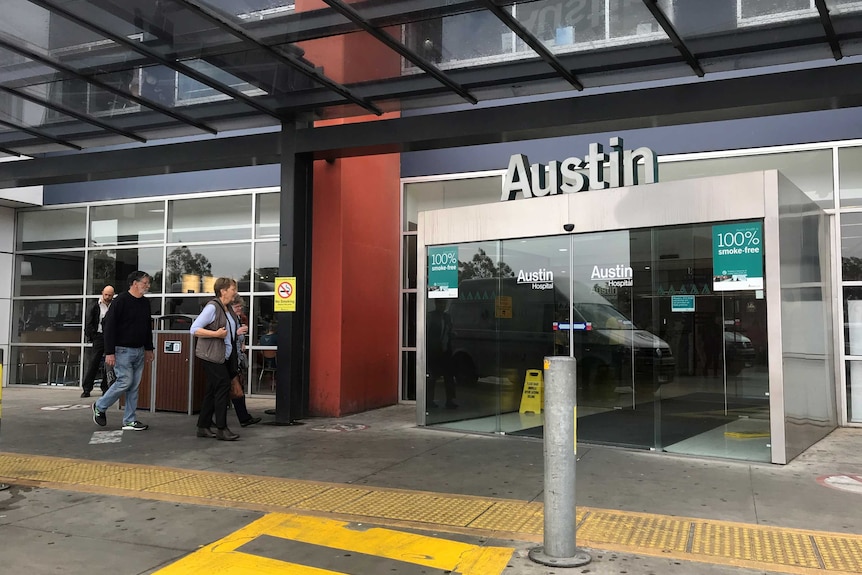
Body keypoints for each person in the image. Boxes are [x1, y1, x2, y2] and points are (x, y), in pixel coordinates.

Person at [92, 272, 153, 431]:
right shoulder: (121, 301)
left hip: (139, 350)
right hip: (122, 350)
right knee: (124, 381)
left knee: (134, 385)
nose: (147, 286)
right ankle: (100, 405)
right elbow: (109, 327)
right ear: (134, 283)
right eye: (145, 283)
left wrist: (149, 348)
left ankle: (130, 420)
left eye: (148, 283)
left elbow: (147, 327)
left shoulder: (145, 303)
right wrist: (109, 351)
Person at [191, 277, 242, 441]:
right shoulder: (213, 307)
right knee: (222, 385)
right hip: (211, 356)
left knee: (212, 390)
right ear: (223, 290)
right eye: (233, 289)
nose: (235, 292)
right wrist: (216, 334)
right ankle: (221, 428)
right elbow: (194, 329)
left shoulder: (228, 309)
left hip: (223, 357)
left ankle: (203, 426)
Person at [229, 297, 261, 427]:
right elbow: (222, 336)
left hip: (236, 358)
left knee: (234, 389)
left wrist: (242, 342)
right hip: (228, 359)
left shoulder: (237, 319)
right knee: (235, 390)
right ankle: (244, 418)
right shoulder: (227, 320)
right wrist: (237, 333)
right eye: (237, 307)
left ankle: (244, 418)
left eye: (241, 307)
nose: (240, 309)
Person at [81, 285, 115, 398]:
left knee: (109, 363)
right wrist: (93, 335)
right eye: (106, 295)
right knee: (94, 363)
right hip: (99, 336)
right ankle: (87, 388)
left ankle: (105, 387)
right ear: (102, 293)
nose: (108, 297)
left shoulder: (114, 306)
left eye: (110, 295)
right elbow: (89, 322)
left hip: (110, 337)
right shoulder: (95, 306)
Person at [426, 298, 457, 409]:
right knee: (432, 377)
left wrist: (452, 334)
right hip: (434, 350)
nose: (443, 306)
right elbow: (427, 332)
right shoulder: (431, 316)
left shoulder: (447, 317)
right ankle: (429, 400)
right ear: (436, 304)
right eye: (441, 303)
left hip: (445, 350)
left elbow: (450, 330)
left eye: (444, 303)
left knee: (449, 376)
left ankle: (450, 400)